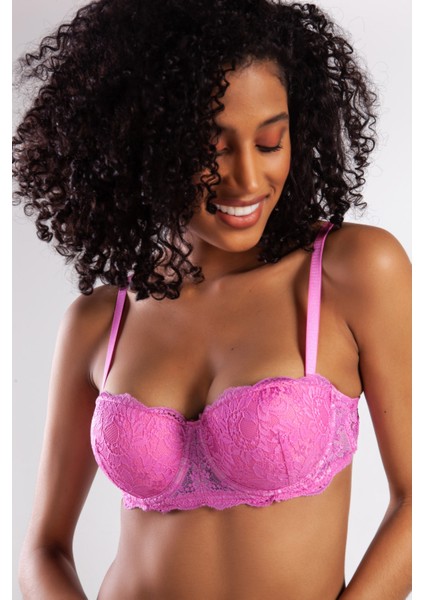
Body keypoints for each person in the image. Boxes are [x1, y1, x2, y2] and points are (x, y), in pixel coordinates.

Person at [13, 0, 411, 598]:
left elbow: (414, 503)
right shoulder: (100, 321)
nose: (247, 180)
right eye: (210, 147)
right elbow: (42, 551)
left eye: (270, 142)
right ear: (145, 143)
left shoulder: (352, 272)